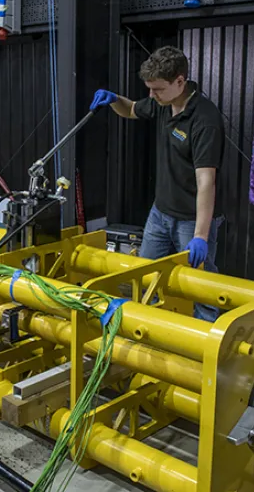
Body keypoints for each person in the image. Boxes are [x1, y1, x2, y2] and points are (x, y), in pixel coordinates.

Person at [90, 46, 224, 321]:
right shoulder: (163, 103)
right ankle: (142, 335)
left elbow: (206, 180)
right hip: (161, 213)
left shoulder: (204, 120)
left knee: (202, 290)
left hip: (192, 220)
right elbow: (130, 109)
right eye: (149, 89)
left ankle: (205, 350)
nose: (152, 95)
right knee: (143, 276)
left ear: (180, 81)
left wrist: (201, 235)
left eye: (158, 89)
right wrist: (114, 99)